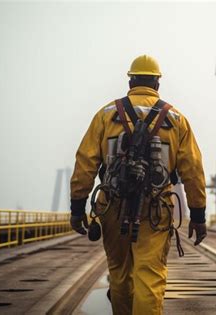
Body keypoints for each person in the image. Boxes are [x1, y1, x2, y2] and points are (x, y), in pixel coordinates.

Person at [69, 54, 207, 315]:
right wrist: (198, 216)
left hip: (111, 205)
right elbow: (193, 172)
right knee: (150, 275)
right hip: (156, 209)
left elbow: (85, 164)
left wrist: (77, 210)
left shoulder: (106, 115)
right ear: (157, 84)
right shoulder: (176, 119)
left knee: (120, 275)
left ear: (131, 81)